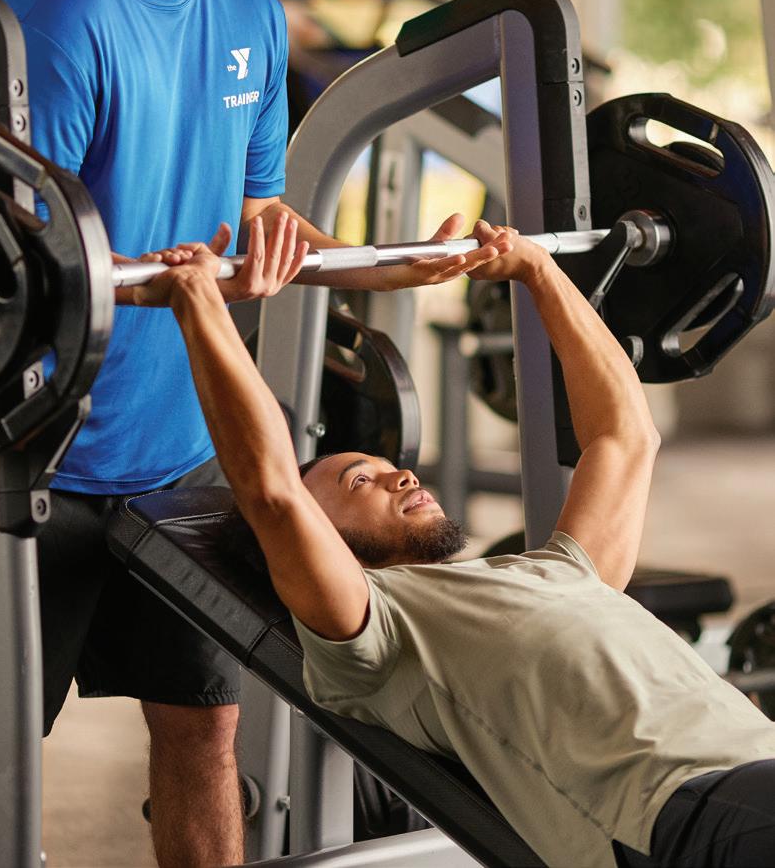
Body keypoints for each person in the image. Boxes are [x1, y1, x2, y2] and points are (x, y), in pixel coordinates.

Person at [0, 0, 502, 868]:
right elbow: (23, 268)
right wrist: (198, 282)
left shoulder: (249, 12)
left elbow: (259, 219)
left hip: (185, 449)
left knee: (203, 725)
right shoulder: (55, 17)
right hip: (38, 443)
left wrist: (393, 268)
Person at [135, 220, 775, 868]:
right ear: (317, 534)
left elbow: (626, 436)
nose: (403, 475)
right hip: (679, 809)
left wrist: (538, 272)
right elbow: (272, 493)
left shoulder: (563, 569)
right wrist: (201, 307)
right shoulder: (376, 633)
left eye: (388, 467)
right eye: (361, 480)